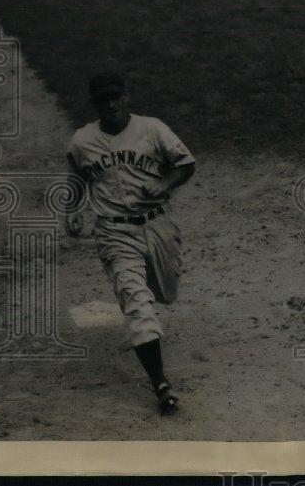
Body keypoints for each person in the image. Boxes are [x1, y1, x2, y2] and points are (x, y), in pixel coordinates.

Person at [64, 72, 196, 415]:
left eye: (115, 97)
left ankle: (148, 297)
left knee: (165, 292)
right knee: (137, 304)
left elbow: (186, 164)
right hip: (113, 233)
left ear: (126, 97)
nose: (109, 105)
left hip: (158, 227)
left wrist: (164, 184)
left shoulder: (153, 129)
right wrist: (73, 210)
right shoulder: (82, 141)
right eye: (102, 100)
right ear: (95, 104)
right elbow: (76, 177)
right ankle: (161, 385)